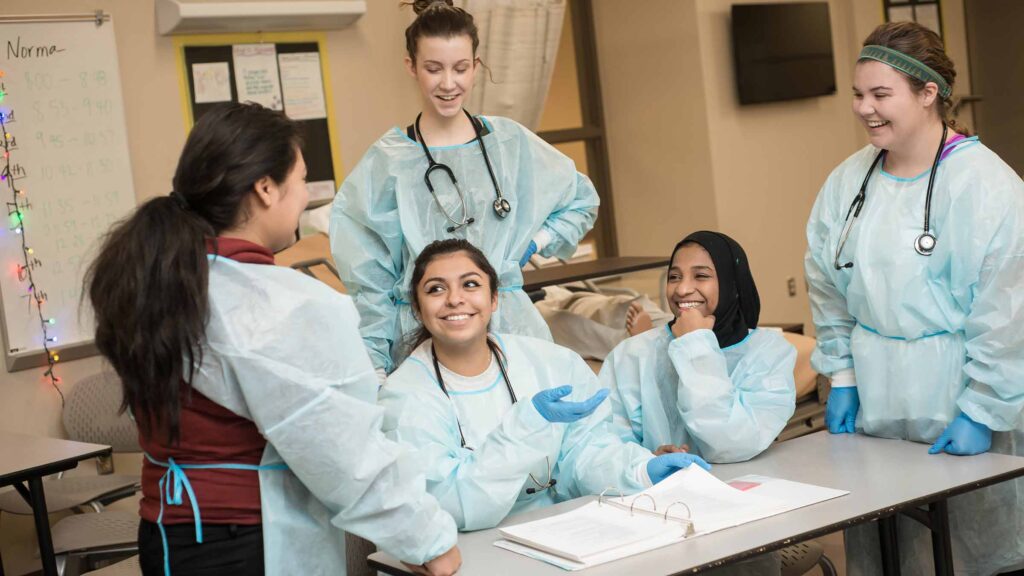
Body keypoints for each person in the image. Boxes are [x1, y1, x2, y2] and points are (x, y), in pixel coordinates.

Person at [85, 102, 460, 576]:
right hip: (243, 543)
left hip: (167, 534)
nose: (305, 197)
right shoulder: (279, 304)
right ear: (265, 188)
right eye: (301, 180)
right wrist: (428, 540)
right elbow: (347, 457)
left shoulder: (163, 281)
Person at [805, 21, 1024, 575]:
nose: (864, 108)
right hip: (875, 402)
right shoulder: (849, 182)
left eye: (881, 95)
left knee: (966, 550)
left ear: (930, 95)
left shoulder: (987, 187)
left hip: (959, 396)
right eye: (859, 94)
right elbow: (827, 285)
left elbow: (1009, 313)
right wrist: (845, 377)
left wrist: (981, 408)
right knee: (887, 552)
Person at [330, 0, 599, 382]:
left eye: (460, 68)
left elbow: (580, 201)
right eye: (433, 68)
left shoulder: (509, 143)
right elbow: (369, 278)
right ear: (411, 67)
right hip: (427, 335)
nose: (448, 83)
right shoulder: (388, 162)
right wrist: (375, 359)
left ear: (476, 65)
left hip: (509, 327)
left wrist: (529, 246)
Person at [378, 239, 710, 531]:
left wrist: (641, 470)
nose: (454, 299)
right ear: (418, 310)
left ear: (494, 298)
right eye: (436, 289)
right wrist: (528, 423)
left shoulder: (551, 363)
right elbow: (452, 505)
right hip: (468, 548)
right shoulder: (405, 396)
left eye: (470, 284)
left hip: (557, 530)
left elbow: (586, 454)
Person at [601, 231, 797, 463]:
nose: (682, 289)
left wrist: (695, 344)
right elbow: (604, 441)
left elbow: (732, 444)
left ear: (732, 284)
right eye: (674, 277)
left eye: (701, 276)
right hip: (657, 492)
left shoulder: (768, 352)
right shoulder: (631, 354)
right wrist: (645, 462)